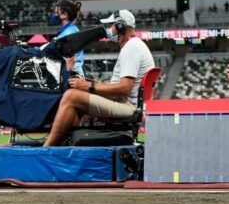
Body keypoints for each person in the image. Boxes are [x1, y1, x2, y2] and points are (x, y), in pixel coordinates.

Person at [43, 9, 155, 147]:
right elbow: (120, 86)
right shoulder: (134, 46)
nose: (109, 29)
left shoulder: (132, 48)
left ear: (120, 26)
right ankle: (67, 144)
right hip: (126, 102)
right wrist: (91, 83)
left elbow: (124, 88)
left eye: (111, 25)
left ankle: (48, 147)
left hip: (128, 106)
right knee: (77, 95)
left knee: (71, 96)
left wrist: (89, 86)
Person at [52, 0, 84, 77]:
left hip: (72, 75)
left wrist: (65, 78)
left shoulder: (69, 33)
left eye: (56, 13)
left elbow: (71, 60)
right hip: (72, 73)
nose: (54, 15)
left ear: (64, 15)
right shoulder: (69, 30)